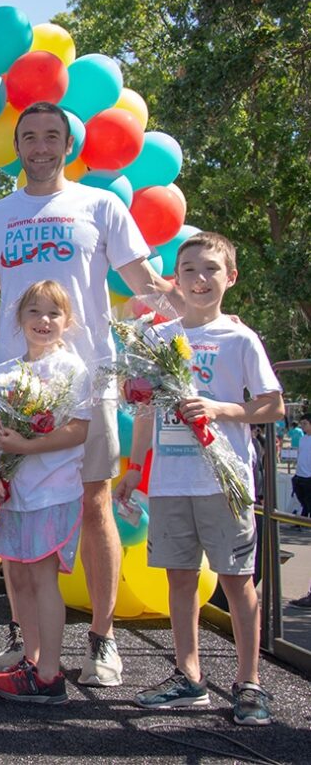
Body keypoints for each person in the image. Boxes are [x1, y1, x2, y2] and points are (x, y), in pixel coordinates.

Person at [0, 101, 176, 686]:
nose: (40, 147)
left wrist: (192, 314)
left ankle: (102, 639)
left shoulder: (101, 205)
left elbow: (143, 283)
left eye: (52, 137)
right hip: (17, 387)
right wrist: (20, 359)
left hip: (90, 381)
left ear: (69, 146)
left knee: (95, 505)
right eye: (29, 137)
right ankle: (28, 642)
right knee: (8, 505)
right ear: (17, 146)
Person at [115, 232, 284, 725]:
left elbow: (271, 405)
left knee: (237, 583)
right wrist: (134, 470)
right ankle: (188, 678)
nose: (199, 279)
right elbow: (145, 412)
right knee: (180, 580)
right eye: (189, 270)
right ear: (176, 280)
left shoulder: (240, 337)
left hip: (223, 482)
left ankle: (248, 683)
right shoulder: (159, 339)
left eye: (211, 269)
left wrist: (219, 408)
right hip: (170, 483)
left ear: (229, 278)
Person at [0, 281, 91, 705]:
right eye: (34, 312)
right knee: (20, 579)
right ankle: (32, 659)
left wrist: (26, 447)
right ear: (18, 318)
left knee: (43, 578)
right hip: (16, 495)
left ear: (67, 322)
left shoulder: (72, 370)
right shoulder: (7, 373)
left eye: (53, 314)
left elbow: (79, 429)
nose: (43, 321)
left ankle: (49, 675)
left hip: (54, 493)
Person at [292, 418, 311, 517]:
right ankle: (302, 519)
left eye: (305, 423)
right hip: (299, 474)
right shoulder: (302, 439)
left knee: (309, 500)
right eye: (301, 423)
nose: (303, 425)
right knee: (302, 500)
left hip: (309, 476)